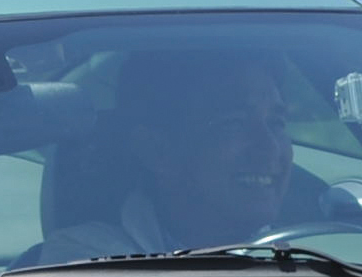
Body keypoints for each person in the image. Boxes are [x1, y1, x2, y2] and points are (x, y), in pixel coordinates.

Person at [40, 48, 301, 262]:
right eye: (233, 123)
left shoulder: (317, 254)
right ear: (156, 150)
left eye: (276, 123)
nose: (270, 148)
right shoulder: (86, 261)